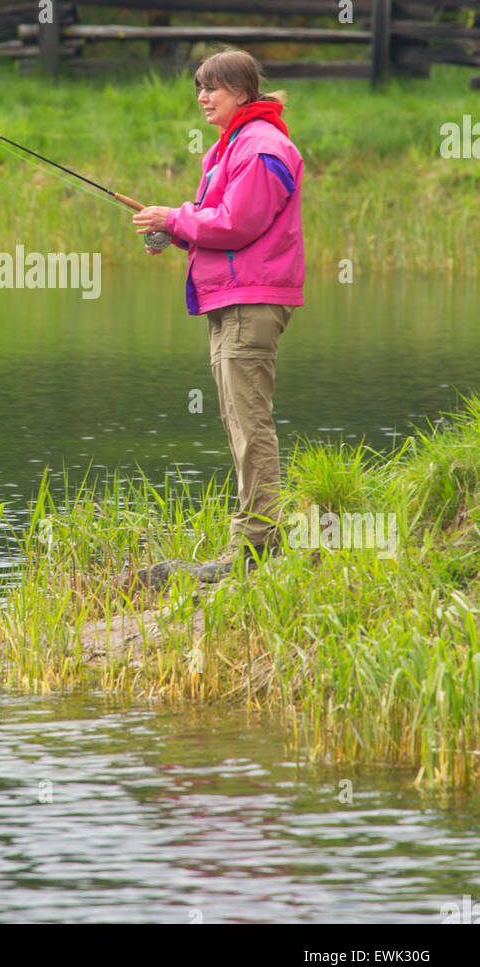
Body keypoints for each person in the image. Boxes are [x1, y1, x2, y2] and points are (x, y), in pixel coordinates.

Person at [133, 50, 304, 582]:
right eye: (199, 88)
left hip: (250, 300)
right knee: (238, 419)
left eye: (213, 88)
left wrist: (177, 216)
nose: (202, 97)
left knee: (250, 422)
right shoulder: (231, 146)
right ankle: (255, 536)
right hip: (229, 297)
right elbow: (218, 224)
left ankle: (256, 544)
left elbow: (238, 223)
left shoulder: (261, 147)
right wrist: (178, 231)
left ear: (243, 93)